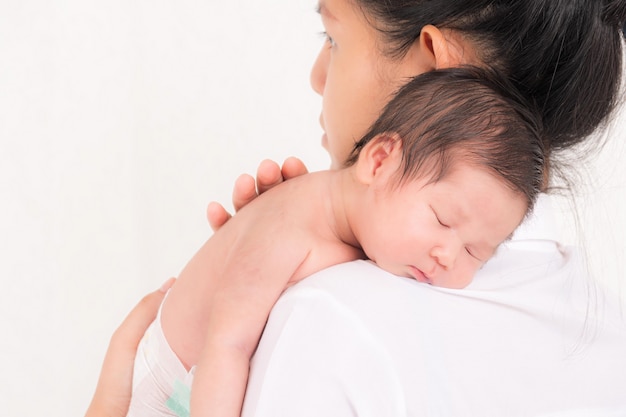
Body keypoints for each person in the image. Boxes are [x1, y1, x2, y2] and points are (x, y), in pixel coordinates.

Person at [86, 0, 626, 416]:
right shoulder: (603, 324)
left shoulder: (327, 318)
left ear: (436, 70)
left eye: (333, 36)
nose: (318, 75)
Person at [128, 67, 545, 417]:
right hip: (167, 387)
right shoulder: (287, 223)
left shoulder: (376, 237)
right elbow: (227, 345)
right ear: (380, 162)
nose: (448, 255)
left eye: (477, 252)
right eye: (442, 219)